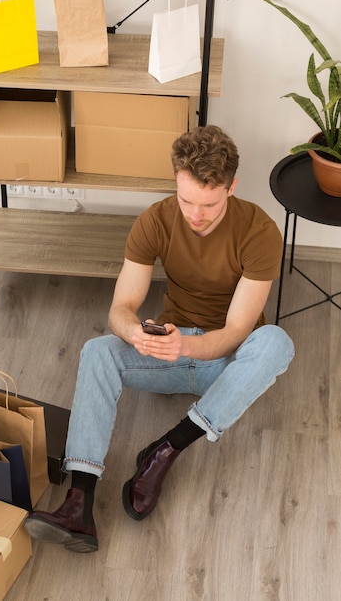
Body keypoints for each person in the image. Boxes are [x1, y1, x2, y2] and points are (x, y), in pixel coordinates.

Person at [24, 125, 295, 553]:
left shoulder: (259, 231)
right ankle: (79, 502)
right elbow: (120, 308)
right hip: (169, 349)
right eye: (186, 200)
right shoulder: (155, 219)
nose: (196, 214)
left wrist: (184, 346)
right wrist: (137, 333)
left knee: (277, 343)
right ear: (175, 182)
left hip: (224, 363)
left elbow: (235, 333)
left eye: (210, 203)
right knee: (97, 350)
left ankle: (165, 450)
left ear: (232, 187)